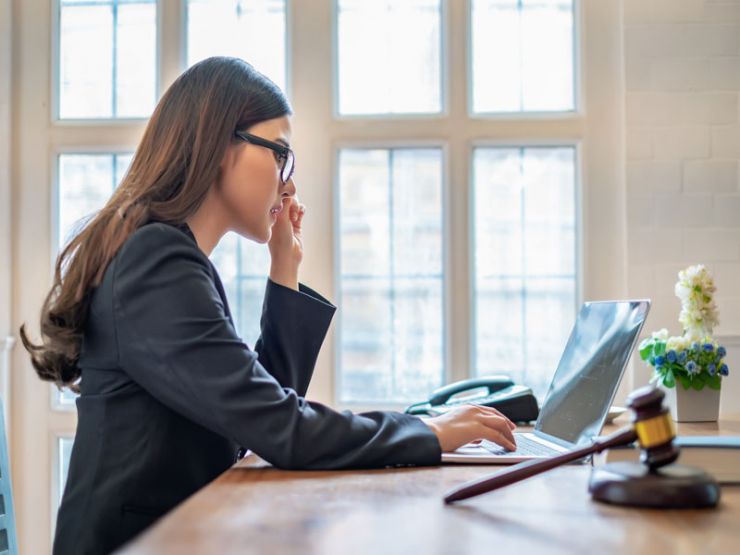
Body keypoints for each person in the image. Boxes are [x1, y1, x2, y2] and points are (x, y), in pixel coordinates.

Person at [20, 57, 517, 555]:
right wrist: (426, 432)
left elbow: (256, 417)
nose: (290, 183)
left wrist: (285, 267)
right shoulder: (158, 262)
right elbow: (279, 427)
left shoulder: (170, 259)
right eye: (280, 154)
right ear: (218, 145)